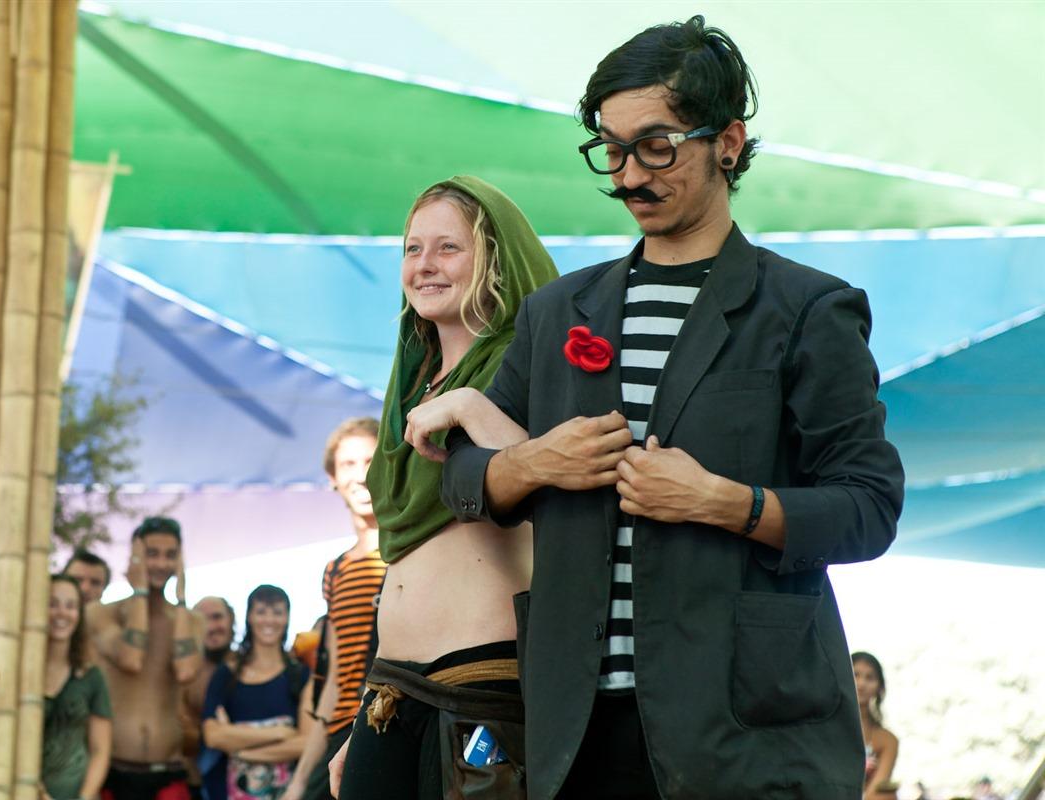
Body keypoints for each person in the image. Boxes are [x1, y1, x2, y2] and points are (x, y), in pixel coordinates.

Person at [433, 17, 904, 799]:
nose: (629, 176)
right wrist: (533, 462)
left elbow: (870, 508)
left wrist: (724, 502)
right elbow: (462, 476)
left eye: (656, 146)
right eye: (611, 150)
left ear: (728, 142)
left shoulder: (807, 308)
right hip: (573, 729)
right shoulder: (558, 312)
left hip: (744, 732)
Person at [331, 176, 558, 800]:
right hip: (389, 687)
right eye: (413, 249)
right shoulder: (412, 380)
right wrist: (362, 716)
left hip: (479, 679)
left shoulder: (526, 360)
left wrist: (469, 406)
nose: (424, 264)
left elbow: (555, 476)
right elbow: (402, 560)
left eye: (448, 247)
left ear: (495, 258)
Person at [283, 417, 384, 800]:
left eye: (370, 461)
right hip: (338, 732)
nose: (360, 475)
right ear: (332, 478)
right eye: (348, 465)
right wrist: (298, 781)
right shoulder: (335, 570)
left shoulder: (407, 551)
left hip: (384, 725)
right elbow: (335, 680)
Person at [87, 516, 202, 800]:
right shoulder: (102, 614)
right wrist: (139, 592)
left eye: (170, 555)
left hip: (168, 772)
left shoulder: (191, 621)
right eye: (151, 554)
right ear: (134, 557)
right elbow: (131, 659)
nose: (161, 564)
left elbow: (186, 671)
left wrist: (181, 597)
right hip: (113, 771)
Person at [202, 585, 313, 800]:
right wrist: (280, 733)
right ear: (249, 617)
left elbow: (307, 743)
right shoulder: (227, 674)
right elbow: (213, 735)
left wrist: (240, 750)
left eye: (277, 612)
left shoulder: (299, 675)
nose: (269, 620)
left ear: (287, 618)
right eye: (261, 611)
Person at [40, 574, 113, 800]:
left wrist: (84, 797)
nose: (62, 613)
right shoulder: (22, 674)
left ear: (79, 615)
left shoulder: (90, 677)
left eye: (71, 606)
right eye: (52, 604)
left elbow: (100, 749)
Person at [181, 596, 237, 799]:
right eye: (202, 620)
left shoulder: (251, 668)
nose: (211, 627)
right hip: (196, 784)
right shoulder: (184, 675)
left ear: (231, 620)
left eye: (217, 617)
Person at [852, 652, 899, 800]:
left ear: (879, 687)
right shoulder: (824, 729)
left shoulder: (888, 740)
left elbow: (877, 788)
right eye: (855, 675)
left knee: (887, 795)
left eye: (869, 678)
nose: (861, 684)